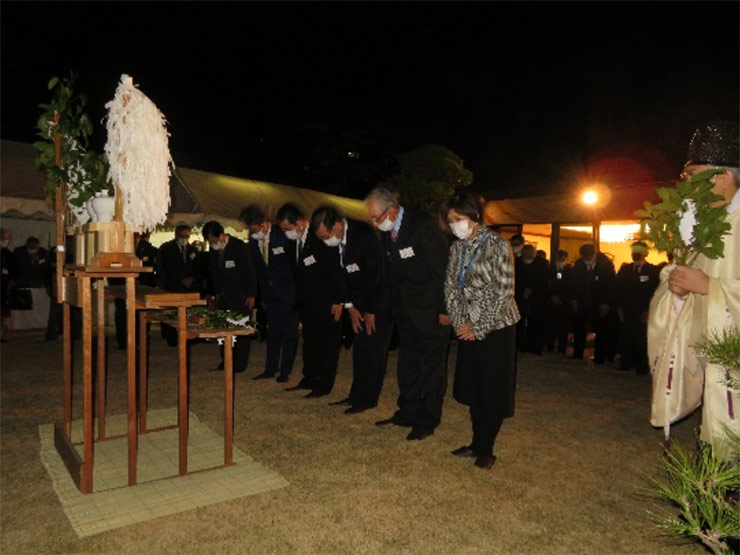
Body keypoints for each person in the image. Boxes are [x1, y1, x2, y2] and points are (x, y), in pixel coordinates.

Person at [648, 121, 740, 458]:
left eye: (695, 175)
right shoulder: (704, 223)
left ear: (722, 177)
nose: (687, 186)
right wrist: (676, 287)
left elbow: (710, 282)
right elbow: (684, 283)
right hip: (711, 360)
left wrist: (709, 286)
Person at [364, 187, 450, 441]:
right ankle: (407, 412)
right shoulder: (387, 232)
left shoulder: (423, 226)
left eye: (376, 218)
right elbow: (391, 273)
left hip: (431, 310)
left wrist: (446, 310)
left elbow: (443, 270)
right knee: (407, 365)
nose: (375, 223)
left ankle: (428, 419)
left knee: (431, 368)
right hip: (405, 310)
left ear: (391, 210)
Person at [443, 192, 520, 470]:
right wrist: (462, 322)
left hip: (496, 327)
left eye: (458, 219)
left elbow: (503, 293)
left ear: (475, 216)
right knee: (473, 387)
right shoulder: (457, 248)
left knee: (491, 389)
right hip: (467, 326)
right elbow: (451, 288)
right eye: (450, 220)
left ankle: (486, 449)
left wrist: (478, 327)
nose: (454, 225)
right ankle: (476, 442)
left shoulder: (497, 245)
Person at [311, 205, 391, 414]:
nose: (325, 240)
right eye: (321, 238)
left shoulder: (365, 235)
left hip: (378, 300)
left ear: (338, 225)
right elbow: (336, 275)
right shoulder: (331, 243)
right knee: (360, 350)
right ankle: (355, 395)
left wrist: (371, 310)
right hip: (355, 301)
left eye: (326, 235)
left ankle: (369, 398)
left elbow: (377, 275)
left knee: (373, 350)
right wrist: (349, 306)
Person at [277, 203, 343, 397]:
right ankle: (309, 377)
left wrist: (338, 299)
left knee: (326, 345)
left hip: (327, 302)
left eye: (288, 229)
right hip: (307, 304)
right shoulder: (294, 242)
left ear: (300, 222)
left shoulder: (320, 238)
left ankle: (323, 384)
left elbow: (335, 270)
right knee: (310, 343)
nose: (286, 233)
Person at [239, 205, 299, 383]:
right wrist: (261, 295)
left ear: (264, 223)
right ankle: (270, 368)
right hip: (270, 295)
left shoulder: (283, 235)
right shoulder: (252, 241)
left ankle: (285, 371)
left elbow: (294, 265)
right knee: (273, 332)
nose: (252, 232)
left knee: (289, 333)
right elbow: (258, 270)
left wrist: (297, 293)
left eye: (255, 228)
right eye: (250, 229)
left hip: (289, 292)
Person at [202, 220, 257, 374]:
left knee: (240, 328)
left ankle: (240, 363)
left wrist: (251, 294)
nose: (213, 244)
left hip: (240, 295)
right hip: (223, 297)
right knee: (223, 329)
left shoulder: (239, 247)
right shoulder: (213, 250)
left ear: (222, 235)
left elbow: (249, 272)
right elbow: (213, 273)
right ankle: (226, 360)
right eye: (210, 242)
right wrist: (213, 292)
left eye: (214, 240)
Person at [569, 243, 618, 362]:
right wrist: (574, 299)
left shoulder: (605, 265)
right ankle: (577, 353)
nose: (586, 259)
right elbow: (574, 283)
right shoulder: (579, 264)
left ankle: (599, 357)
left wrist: (606, 302)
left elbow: (610, 286)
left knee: (601, 330)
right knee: (579, 328)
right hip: (582, 300)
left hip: (599, 301)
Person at [615, 241, 659, 374]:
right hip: (627, 309)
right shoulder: (625, 269)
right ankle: (626, 362)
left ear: (645, 254)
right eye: (634, 253)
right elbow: (619, 290)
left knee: (642, 339)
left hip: (642, 310)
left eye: (639, 253)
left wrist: (648, 310)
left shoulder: (652, 271)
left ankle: (642, 365)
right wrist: (619, 308)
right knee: (626, 337)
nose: (636, 255)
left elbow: (654, 292)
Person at [157, 225, 201, 347]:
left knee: (188, 313)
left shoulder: (193, 250)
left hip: (189, 288)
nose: (185, 239)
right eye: (182, 236)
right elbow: (164, 268)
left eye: (187, 236)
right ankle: (172, 338)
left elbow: (198, 267)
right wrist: (179, 280)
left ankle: (189, 337)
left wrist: (192, 278)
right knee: (172, 313)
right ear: (176, 235)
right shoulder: (166, 248)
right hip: (172, 285)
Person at [514, 244, 549, 354]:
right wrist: (522, 290)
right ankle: (520, 345)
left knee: (536, 322)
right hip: (520, 296)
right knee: (519, 321)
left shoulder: (542, 263)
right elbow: (515, 278)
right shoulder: (517, 263)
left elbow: (544, 280)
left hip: (537, 297)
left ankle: (535, 346)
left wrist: (532, 289)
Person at [545, 249, 572, 354]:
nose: (560, 259)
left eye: (562, 257)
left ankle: (561, 348)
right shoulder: (550, 269)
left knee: (563, 327)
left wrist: (562, 298)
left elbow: (570, 286)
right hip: (551, 301)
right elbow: (547, 284)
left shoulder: (569, 270)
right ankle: (550, 345)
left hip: (564, 302)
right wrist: (552, 296)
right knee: (551, 325)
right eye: (559, 256)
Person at [1, 228, 15, 341]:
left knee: (3, 312)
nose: (6, 241)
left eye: (7, 239)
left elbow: (13, 271)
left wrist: (10, 283)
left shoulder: (8, 253)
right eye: (4, 238)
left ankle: (1, 334)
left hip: (4, 287)